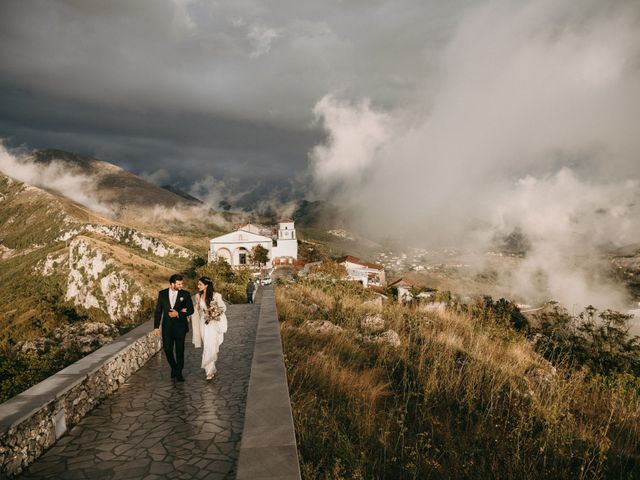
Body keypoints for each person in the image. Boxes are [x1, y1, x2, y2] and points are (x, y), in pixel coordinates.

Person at [153, 274, 194, 382]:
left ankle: (179, 372)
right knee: (167, 349)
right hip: (167, 327)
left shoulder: (185, 294)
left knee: (180, 351)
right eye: (179, 284)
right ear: (172, 284)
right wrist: (156, 327)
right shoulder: (162, 294)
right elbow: (158, 311)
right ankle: (174, 368)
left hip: (180, 327)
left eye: (182, 283)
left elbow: (191, 310)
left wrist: (179, 313)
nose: (181, 285)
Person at [190, 277, 227, 380]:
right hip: (203, 323)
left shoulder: (216, 296)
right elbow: (197, 310)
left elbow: (223, 308)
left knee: (211, 346)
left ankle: (209, 371)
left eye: (200, 284)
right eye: (198, 284)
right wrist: (197, 305)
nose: (198, 286)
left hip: (213, 324)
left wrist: (214, 314)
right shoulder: (198, 296)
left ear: (206, 285)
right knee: (206, 345)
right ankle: (210, 368)